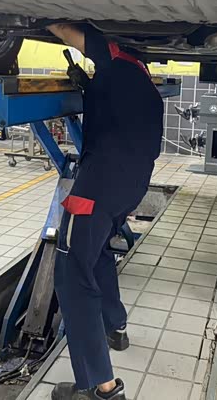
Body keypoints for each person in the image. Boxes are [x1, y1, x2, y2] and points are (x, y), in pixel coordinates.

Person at [47, 24, 164, 400]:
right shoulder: (142, 81)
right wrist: (88, 85)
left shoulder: (117, 58)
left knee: (71, 271)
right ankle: (116, 325)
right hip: (129, 187)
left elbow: (71, 34)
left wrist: (41, 16)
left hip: (98, 187)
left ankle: (100, 387)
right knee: (97, 252)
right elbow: (115, 110)